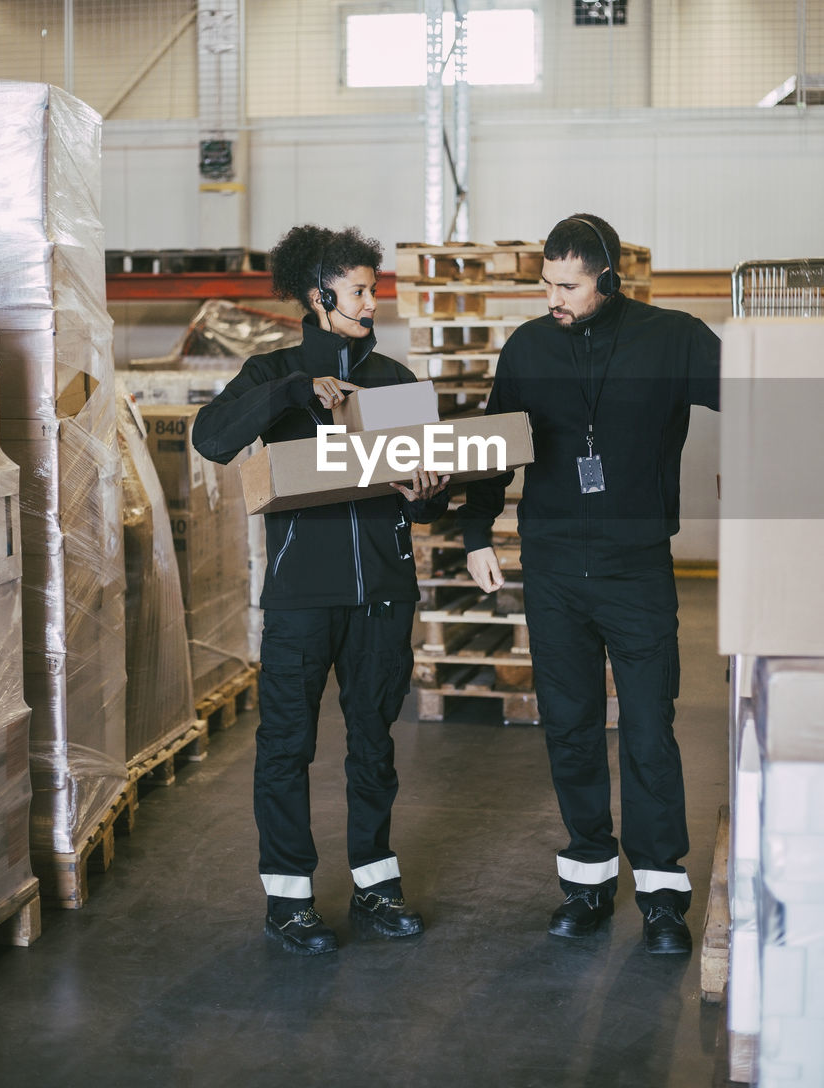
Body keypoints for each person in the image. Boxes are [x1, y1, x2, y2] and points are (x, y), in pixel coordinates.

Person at [457, 213, 720, 955]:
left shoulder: (673, 338)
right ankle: (586, 880)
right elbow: (491, 447)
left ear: (606, 277)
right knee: (569, 729)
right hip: (551, 569)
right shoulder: (529, 346)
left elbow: (757, 402)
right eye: (545, 284)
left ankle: (662, 893)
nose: (553, 298)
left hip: (635, 568)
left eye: (567, 285)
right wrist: (477, 534)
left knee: (646, 729)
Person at [192, 224, 449, 956]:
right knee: (285, 745)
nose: (373, 299)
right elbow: (211, 439)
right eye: (361, 289)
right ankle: (288, 900)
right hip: (303, 597)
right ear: (318, 295)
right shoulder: (271, 375)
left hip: (384, 595)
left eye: (373, 288)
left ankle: (375, 886)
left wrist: (426, 494)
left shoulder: (395, 382)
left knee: (373, 744)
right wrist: (293, 391)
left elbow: (423, 498)